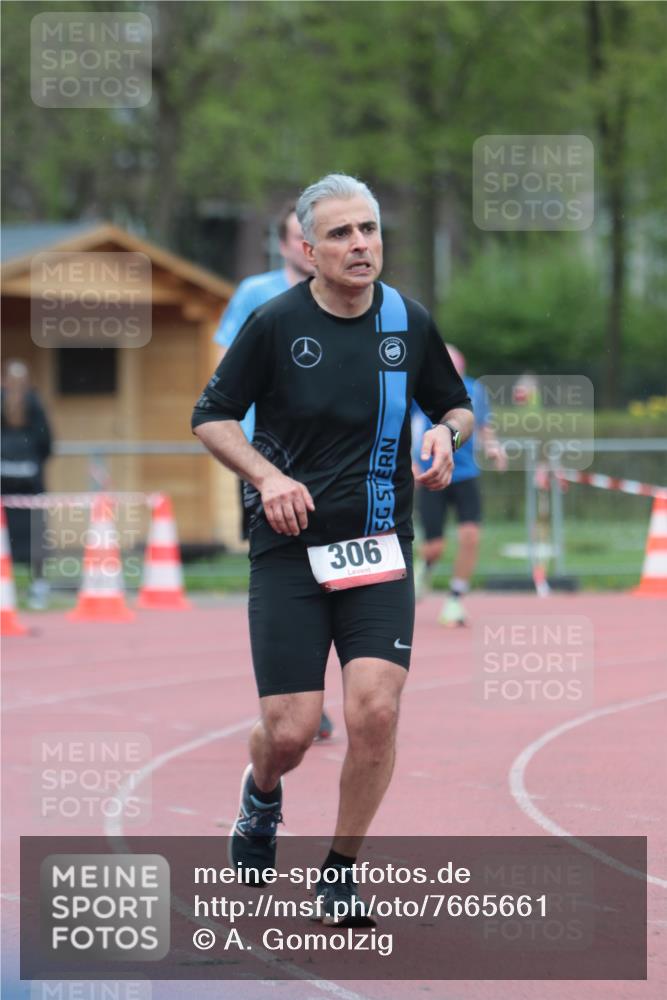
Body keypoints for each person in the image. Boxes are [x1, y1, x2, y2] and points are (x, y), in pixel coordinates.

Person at [192, 173, 473, 923]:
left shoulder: (406, 322)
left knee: (375, 711)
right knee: (287, 731)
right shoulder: (276, 324)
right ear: (308, 250)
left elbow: (453, 403)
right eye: (342, 234)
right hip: (289, 550)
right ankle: (261, 799)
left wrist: (445, 435)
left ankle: (340, 871)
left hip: (378, 545)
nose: (360, 245)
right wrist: (267, 475)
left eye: (370, 230)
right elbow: (211, 416)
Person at [214, 201, 333, 742]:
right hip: (268, 455)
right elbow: (224, 371)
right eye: (292, 236)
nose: (299, 245)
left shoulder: (349, 299)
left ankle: (313, 689)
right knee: (285, 565)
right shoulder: (256, 295)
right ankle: (290, 687)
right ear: (289, 243)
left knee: (337, 568)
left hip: (332, 453)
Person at [412, 345, 507, 626]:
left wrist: (493, 448)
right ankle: (425, 567)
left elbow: (483, 424)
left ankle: (454, 599)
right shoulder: (422, 388)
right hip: (433, 473)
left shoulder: (474, 389)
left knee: (470, 536)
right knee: (434, 547)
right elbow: (406, 424)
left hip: (465, 474)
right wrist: (411, 461)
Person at [0, 359, 52, 608]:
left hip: (4, 487)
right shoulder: (35, 402)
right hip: (32, 484)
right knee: (35, 535)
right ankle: (38, 587)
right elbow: (47, 441)